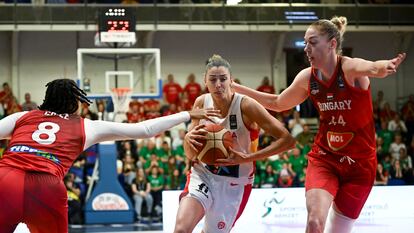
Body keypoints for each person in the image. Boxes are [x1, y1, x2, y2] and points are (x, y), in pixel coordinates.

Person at [231, 16, 406, 233]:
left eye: (312, 42)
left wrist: (385, 66)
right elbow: (277, 103)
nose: (306, 48)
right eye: (305, 43)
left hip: (360, 165)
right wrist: (237, 88)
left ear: (332, 44)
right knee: (314, 221)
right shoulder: (307, 77)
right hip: (325, 159)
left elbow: (372, 68)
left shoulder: (349, 68)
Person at [0, 78, 220, 233]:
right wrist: (186, 114)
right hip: (46, 186)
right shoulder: (86, 126)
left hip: (5, 179)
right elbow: (144, 130)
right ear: (73, 102)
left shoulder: (23, 116)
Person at [173, 55, 295, 233]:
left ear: (232, 80)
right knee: (181, 229)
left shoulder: (246, 106)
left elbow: (288, 140)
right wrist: (187, 140)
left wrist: (248, 157)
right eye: (213, 80)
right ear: (205, 81)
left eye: (223, 79)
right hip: (203, 173)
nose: (218, 84)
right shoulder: (201, 102)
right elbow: (191, 155)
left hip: (236, 182)